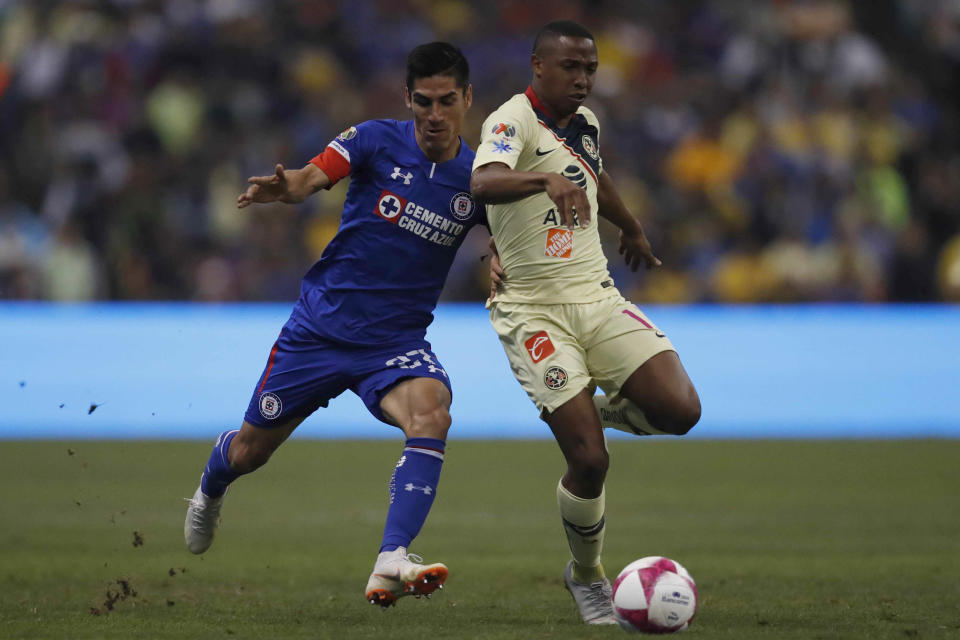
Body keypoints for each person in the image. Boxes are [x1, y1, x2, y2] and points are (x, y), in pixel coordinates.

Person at [184, 42, 491, 608]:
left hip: (393, 344)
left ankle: (390, 559)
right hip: (319, 332)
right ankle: (212, 481)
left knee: (432, 412)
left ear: (467, 100)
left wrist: (497, 258)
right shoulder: (374, 138)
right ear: (408, 98)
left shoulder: (478, 180)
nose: (435, 114)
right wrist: (289, 188)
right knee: (252, 452)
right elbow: (310, 177)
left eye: (447, 101)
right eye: (423, 101)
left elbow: (504, 240)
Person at [470, 21, 701, 625]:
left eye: (590, 69)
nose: (583, 79)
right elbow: (482, 181)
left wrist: (630, 224)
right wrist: (543, 179)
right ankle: (588, 575)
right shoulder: (511, 119)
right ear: (537, 65)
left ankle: (590, 410)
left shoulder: (587, 125)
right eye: (571, 67)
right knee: (591, 462)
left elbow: (592, 177)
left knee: (681, 412)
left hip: (597, 297)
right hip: (533, 309)